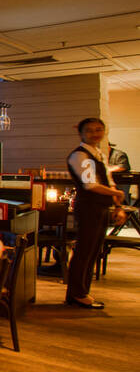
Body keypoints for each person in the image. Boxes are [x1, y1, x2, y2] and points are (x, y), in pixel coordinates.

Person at [66, 118, 127, 309]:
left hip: (99, 207)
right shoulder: (79, 156)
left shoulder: (98, 154)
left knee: (93, 250)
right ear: (81, 134)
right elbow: (90, 184)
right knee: (84, 251)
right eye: (90, 130)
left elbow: (108, 180)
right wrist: (116, 194)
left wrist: (118, 205)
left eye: (98, 130)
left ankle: (83, 291)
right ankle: (77, 294)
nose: (95, 133)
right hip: (88, 208)